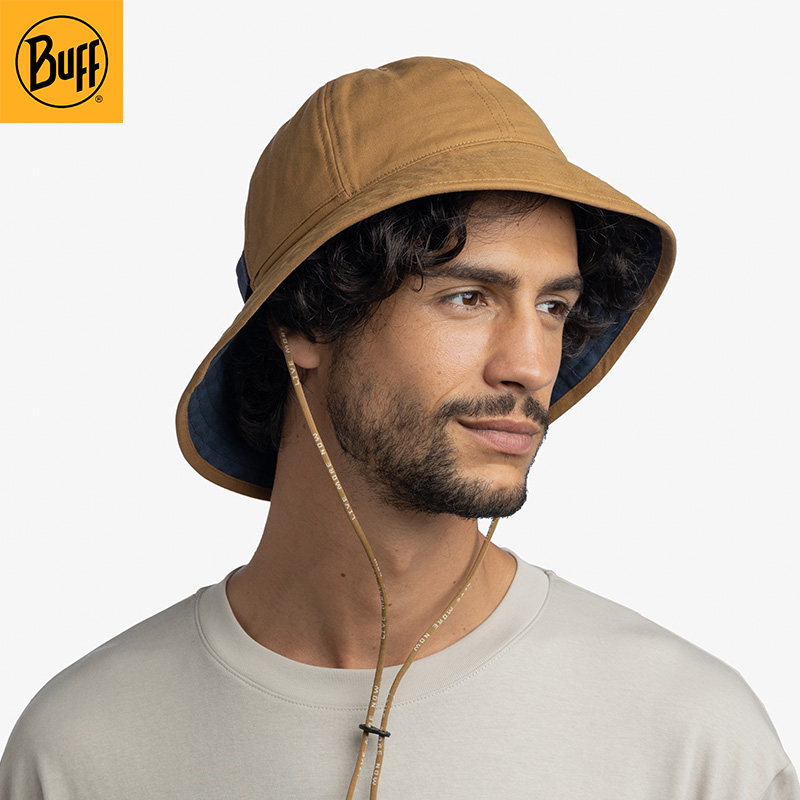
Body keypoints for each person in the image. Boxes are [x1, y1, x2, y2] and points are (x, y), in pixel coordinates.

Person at [1, 56, 797, 800]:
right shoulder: (83, 749)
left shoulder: (692, 740)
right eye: (468, 298)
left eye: (554, 306)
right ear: (304, 320)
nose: (530, 365)